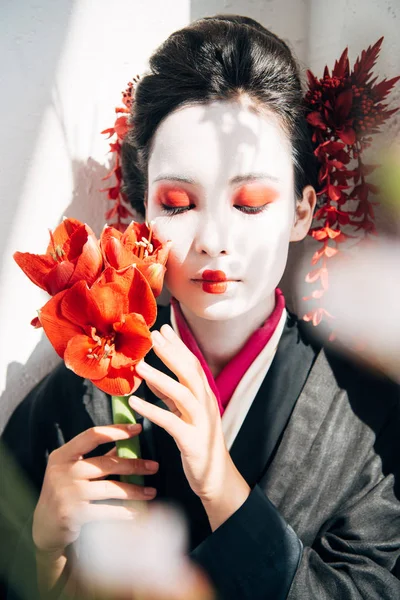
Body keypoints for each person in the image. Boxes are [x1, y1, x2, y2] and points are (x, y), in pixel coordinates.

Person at [2, 13, 400, 600]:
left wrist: (225, 490)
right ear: (141, 216)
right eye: (179, 202)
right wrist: (43, 546)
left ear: (301, 211)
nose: (214, 238)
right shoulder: (84, 392)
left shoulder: (369, 417)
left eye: (251, 202)